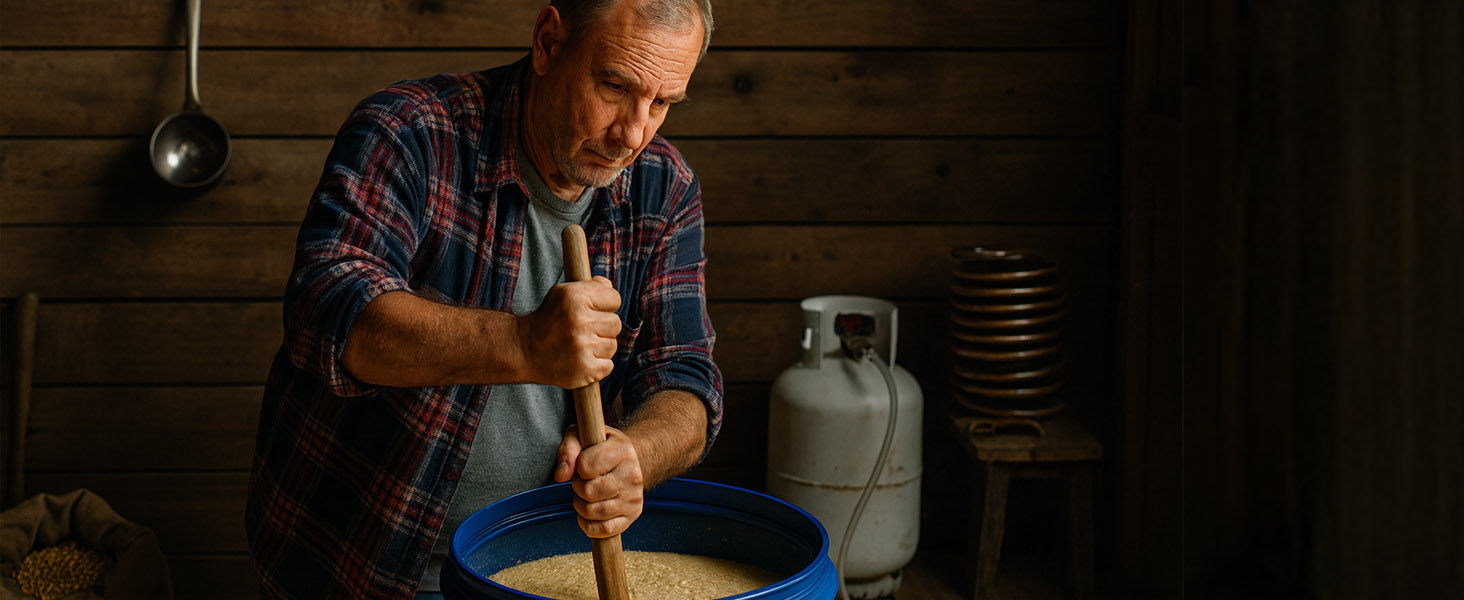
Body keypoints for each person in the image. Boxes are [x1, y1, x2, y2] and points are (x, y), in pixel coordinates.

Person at [243, 0, 721, 597]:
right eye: (614, 86)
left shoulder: (665, 185)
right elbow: (328, 312)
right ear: (548, 41)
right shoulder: (412, 131)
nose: (632, 132)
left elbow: (685, 376)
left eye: (662, 103)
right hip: (357, 565)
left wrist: (637, 456)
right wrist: (523, 343)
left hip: (536, 571)